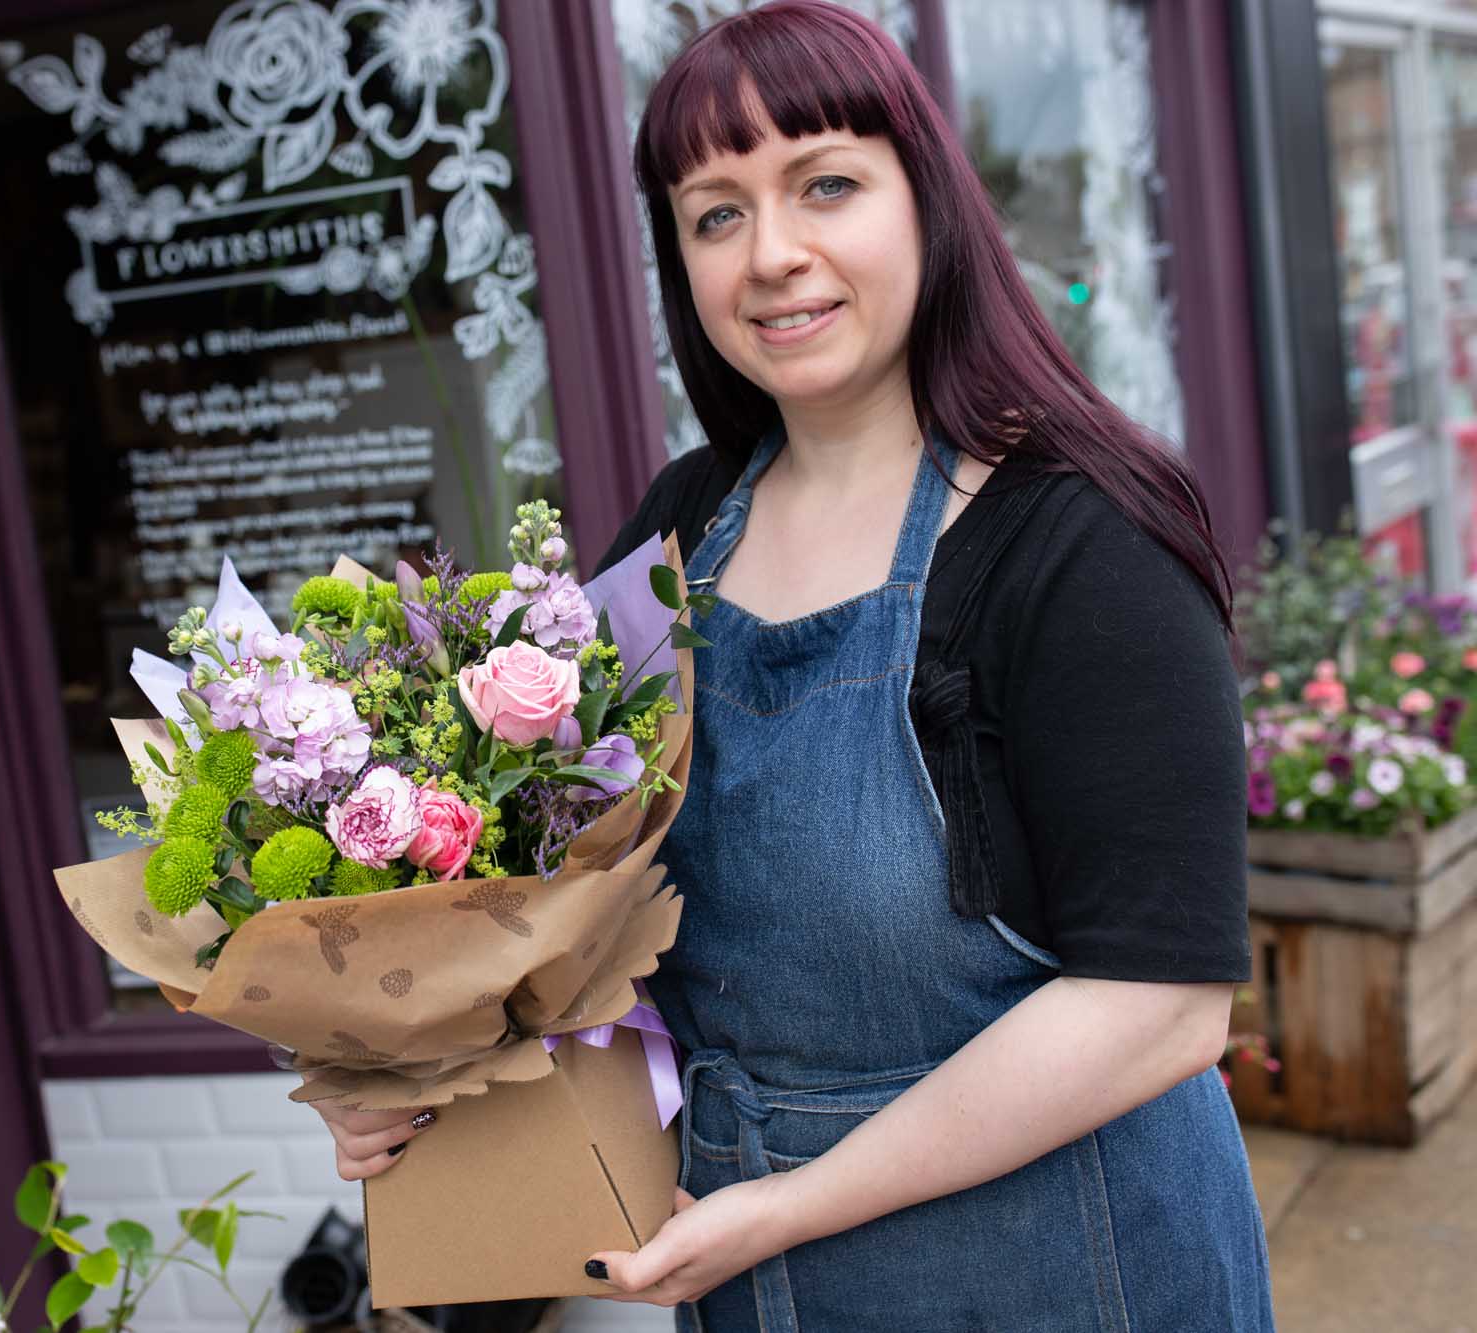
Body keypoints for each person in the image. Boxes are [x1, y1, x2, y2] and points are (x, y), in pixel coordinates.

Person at [310, 3, 1274, 1327]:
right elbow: (584, 923)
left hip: (1074, 1275)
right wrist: (423, 1071)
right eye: (715, 214)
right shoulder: (676, 532)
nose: (772, 255)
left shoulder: (1074, 539)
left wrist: (792, 1201)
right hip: (778, 1288)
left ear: (926, 204)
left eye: (826, 184)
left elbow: (1159, 1005)